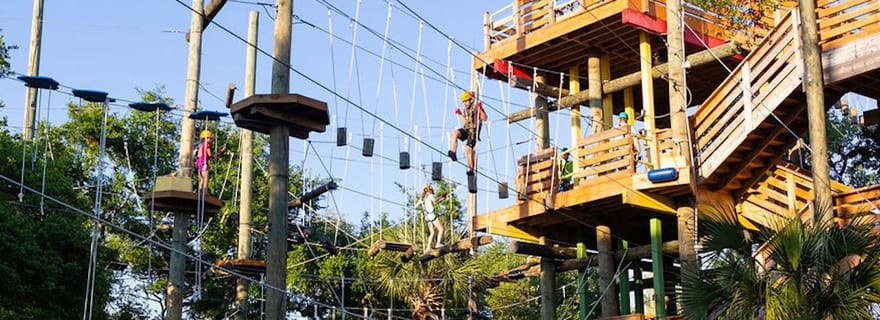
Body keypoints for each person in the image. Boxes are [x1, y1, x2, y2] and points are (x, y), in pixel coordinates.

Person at [448, 90, 487, 175]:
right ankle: (453, 152)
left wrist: (481, 109)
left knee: (468, 149)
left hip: (473, 131)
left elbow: (484, 118)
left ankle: (471, 169)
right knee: (455, 133)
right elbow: (465, 122)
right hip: (467, 129)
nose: (465, 103)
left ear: (471, 100)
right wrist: (460, 114)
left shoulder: (476, 108)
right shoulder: (465, 110)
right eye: (464, 102)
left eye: (466, 101)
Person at [415, 184, 444, 250]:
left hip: (427, 217)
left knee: (432, 232)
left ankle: (428, 247)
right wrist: (442, 197)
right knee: (441, 229)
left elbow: (415, 206)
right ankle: (438, 243)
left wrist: (420, 210)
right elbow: (435, 201)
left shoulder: (422, 199)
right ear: (430, 190)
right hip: (431, 215)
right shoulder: (430, 196)